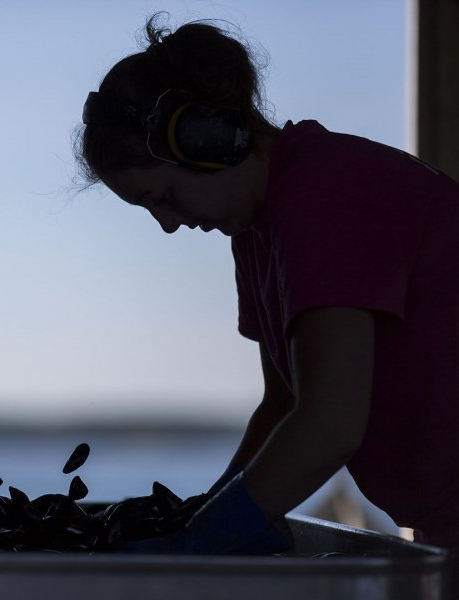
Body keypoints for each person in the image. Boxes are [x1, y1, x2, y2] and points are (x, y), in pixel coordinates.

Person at [76, 16, 459, 554]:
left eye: (162, 198)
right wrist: (208, 508)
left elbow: (328, 423)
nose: (168, 224)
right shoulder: (258, 230)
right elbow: (286, 400)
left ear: (205, 140)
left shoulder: (325, 193)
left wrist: (210, 537)